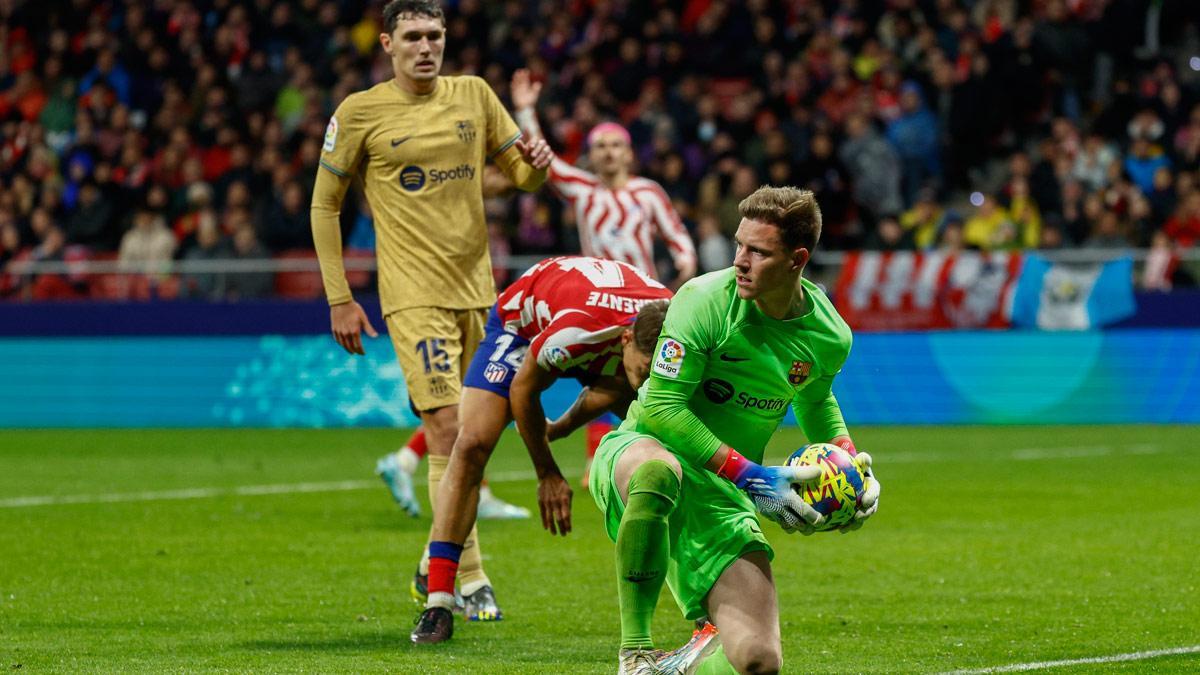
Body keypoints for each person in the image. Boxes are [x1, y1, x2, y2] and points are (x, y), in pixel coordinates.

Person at [310, 0, 553, 625]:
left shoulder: (474, 94)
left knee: (477, 437)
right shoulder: (359, 112)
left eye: (435, 35)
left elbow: (519, 179)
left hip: (480, 293)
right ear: (387, 44)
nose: (426, 47)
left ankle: (432, 563)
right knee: (447, 427)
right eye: (413, 36)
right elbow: (324, 205)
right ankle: (467, 577)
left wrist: (536, 167)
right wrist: (340, 295)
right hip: (412, 294)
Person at [588, 186, 881, 673]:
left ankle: (674, 669)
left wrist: (851, 463)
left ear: (797, 259)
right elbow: (661, 405)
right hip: (644, 452)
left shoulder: (830, 334)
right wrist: (747, 473)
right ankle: (634, 652)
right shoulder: (702, 299)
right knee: (659, 473)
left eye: (759, 251)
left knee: (758, 661)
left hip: (724, 490)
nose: (740, 261)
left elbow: (815, 401)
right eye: (739, 245)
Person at [410, 255, 673, 643]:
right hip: (523, 324)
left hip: (596, 327)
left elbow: (618, 387)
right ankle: (438, 603)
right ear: (628, 340)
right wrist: (547, 473)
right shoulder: (576, 334)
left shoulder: (676, 324)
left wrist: (561, 428)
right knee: (470, 445)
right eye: (647, 367)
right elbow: (523, 388)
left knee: (666, 437)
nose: (649, 378)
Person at [508, 68, 701, 486]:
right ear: (591, 155)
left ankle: (647, 451)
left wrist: (685, 269)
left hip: (646, 307)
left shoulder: (648, 193)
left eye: (616, 145)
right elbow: (545, 159)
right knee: (606, 375)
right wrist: (525, 109)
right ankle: (606, 457)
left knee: (638, 379)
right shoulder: (581, 188)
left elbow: (678, 237)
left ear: (629, 153)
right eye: (600, 147)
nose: (609, 153)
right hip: (597, 305)